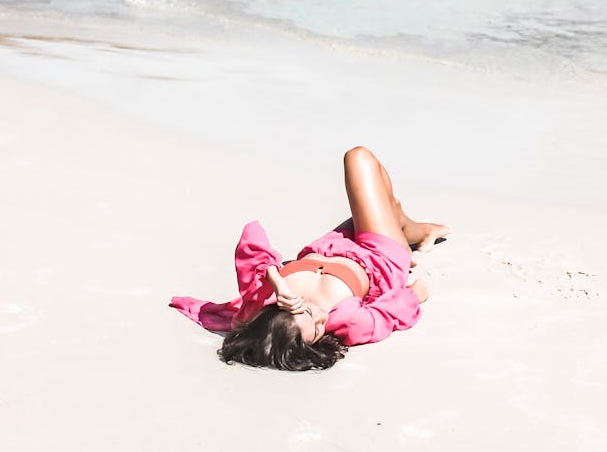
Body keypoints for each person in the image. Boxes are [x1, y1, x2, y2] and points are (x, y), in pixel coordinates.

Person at [170, 146, 448, 372]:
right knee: (359, 159)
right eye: (316, 332)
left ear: (275, 314)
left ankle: (420, 230)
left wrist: (275, 281)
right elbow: (388, 314)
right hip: (380, 255)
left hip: (335, 242)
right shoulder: (347, 323)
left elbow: (251, 239)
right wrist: (415, 294)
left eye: (308, 315)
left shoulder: (263, 299)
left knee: (390, 207)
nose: (320, 320)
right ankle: (410, 235)